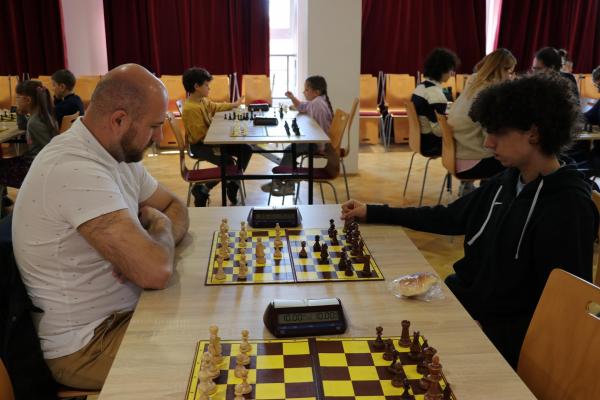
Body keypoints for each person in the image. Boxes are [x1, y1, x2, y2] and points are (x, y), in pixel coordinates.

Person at [341, 74, 597, 368]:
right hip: (463, 307)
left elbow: (564, 307)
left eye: (497, 133)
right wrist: (373, 212)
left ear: (534, 133)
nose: (488, 143)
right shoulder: (507, 181)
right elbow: (449, 217)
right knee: (365, 318)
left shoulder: (568, 206)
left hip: (499, 340)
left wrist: (489, 336)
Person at [12, 64, 190, 390]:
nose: (159, 137)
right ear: (119, 120)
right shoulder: (74, 168)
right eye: (154, 127)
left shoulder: (115, 154)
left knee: (215, 324)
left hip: (130, 312)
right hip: (88, 344)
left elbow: (175, 207)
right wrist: (159, 231)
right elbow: (156, 270)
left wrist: (149, 244)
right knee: (207, 363)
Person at [181, 67, 251, 207]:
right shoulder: (190, 108)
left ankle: (232, 183)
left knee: (246, 149)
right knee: (228, 163)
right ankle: (203, 189)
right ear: (196, 86)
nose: (209, 88)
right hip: (201, 146)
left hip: (212, 141)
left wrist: (234, 105)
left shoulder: (201, 100)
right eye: (206, 85)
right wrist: (225, 131)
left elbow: (215, 107)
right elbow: (200, 136)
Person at [447, 48, 515, 181]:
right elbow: (492, 136)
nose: (509, 77)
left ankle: (473, 187)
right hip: (473, 161)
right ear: (501, 70)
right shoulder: (490, 92)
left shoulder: (473, 82)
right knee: (517, 161)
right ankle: (490, 192)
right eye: (509, 72)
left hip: (455, 157)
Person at [261, 75, 334, 196]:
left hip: (318, 144)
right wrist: (292, 97)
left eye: (307, 89)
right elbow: (302, 107)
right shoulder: (316, 101)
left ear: (316, 92)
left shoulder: (318, 104)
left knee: (290, 151)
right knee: (290, 150)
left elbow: (323, 129)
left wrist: (322, 148)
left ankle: (284, 184)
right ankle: (282, 182)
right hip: (315, 141)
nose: (304, 92)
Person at [0, 80, 58, 189]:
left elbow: (50, 148)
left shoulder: (34, 122)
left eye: (17, 98)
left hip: (33, 167)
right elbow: (23, 126)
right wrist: (19, 112)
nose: (15, 101)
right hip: (32, 162)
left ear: (27, 100)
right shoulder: (40, 115)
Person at [412, 48, 460, 156]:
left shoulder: (420, 87)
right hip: (431, 144)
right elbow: (438, 131)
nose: (452, 74)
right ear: (442, 70)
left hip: (419, 139)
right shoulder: (436, 95)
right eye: (451, 70)